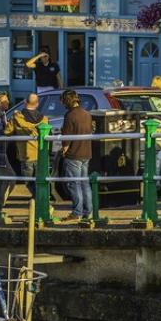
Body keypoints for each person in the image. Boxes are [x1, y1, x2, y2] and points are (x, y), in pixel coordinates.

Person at [59, 90, 96, 222]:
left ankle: (77, 212)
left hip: (74, 154)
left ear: (67, 101)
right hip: (86, 153)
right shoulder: (87, 114)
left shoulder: (70, 115)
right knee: (85, 183)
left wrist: (64, 150)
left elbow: (67, 138)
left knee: (74, 184)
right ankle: (88, 212)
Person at [5, 93, 46, 207]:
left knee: (28, 181)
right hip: (40, 154)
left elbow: (7, 132)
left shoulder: (17, 117)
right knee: (40, 181)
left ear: (24, 102)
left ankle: (39, 201)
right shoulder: (44, 119)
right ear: (37, 104)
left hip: (25, 155)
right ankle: (41, 202)